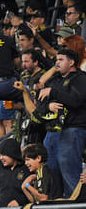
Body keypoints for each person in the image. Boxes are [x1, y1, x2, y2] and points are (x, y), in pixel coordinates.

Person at [39, 48, 86, 197]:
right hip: (52, 132)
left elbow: (76, 100)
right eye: (56, 59)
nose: (56, 63)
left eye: (60, 60)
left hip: (73, 129)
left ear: (71, 62)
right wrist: (49, 106)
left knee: (70, 173)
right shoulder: (54, 80)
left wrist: (53, 93)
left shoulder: (81, 78)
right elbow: (40, 105)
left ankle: (77, 203)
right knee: (51, 174)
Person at [0, 139, 31, 209]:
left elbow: (32, 192)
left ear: (13, 153)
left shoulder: (26, 169)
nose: (1, 158)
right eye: (0, 155)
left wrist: (20, 201)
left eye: (4, 155)